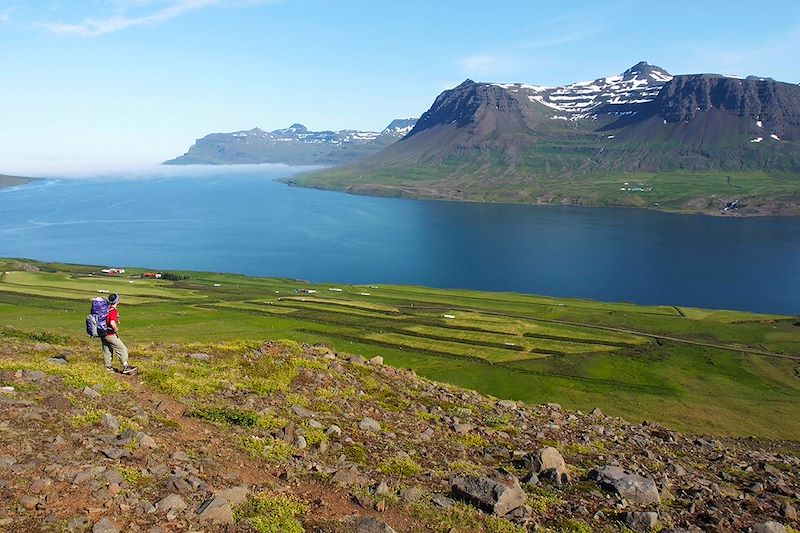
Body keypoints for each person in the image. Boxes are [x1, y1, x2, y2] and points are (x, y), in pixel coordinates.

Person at [102, 293, 136, 374]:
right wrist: (116, 329)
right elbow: (112, 322)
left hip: (103, 333)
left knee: (107, 349)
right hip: (110, 334)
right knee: (122, 349)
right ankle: (125, 367)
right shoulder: (113, 311)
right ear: (117, 301)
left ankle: (108, 367)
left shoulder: (106, 309)